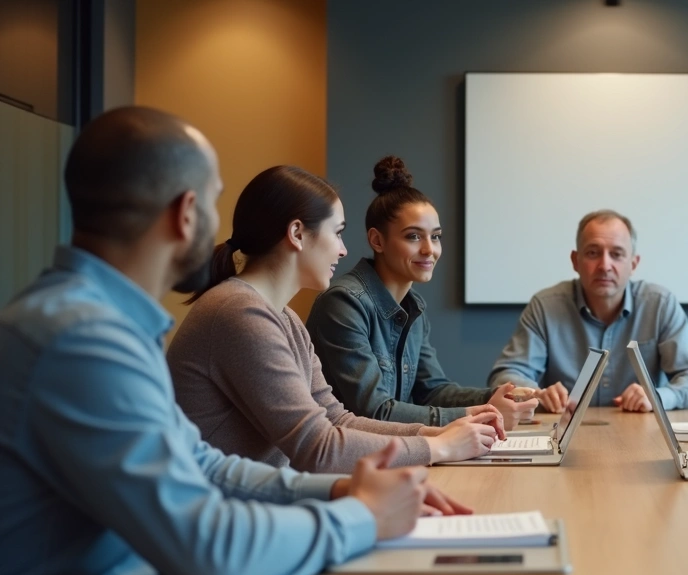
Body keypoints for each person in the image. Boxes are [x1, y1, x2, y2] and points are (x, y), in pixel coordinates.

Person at [0, 106, 467, 575]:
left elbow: (205, 466)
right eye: (213, 200)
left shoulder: (97, 322)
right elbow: (207, 549)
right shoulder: (83, 340)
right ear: (187, 212)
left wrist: (340, 492)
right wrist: (361, 516)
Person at [168, 165, 504, 473]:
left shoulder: (284, 318)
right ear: (297, 233)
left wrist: (438, 433)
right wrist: (438, 447)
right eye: (338, 233)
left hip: (261, 501)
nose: (343, 250)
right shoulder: (240, 313)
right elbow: (317, 448)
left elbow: (337, 419)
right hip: (219, 512)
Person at [307, 156, 538, 429]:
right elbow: (374, 411)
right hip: (348, 452)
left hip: (394, 449)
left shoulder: (412, 307)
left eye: (435, 236)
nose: (430, 250)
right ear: (377, 240)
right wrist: (481, 414)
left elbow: (433, 391)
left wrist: (499, 397)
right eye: (414, 236)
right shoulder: (344, 303)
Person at [488, 210, 688, 412]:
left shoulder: (660, 305)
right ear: (575, 261)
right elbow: (505, 376)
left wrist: (657, 397)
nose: (604, 266)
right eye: (593, 253)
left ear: (633, 264)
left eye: (617, 254)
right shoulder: (545, 307)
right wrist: (537, 394)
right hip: (564, 433)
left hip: (642, 432)